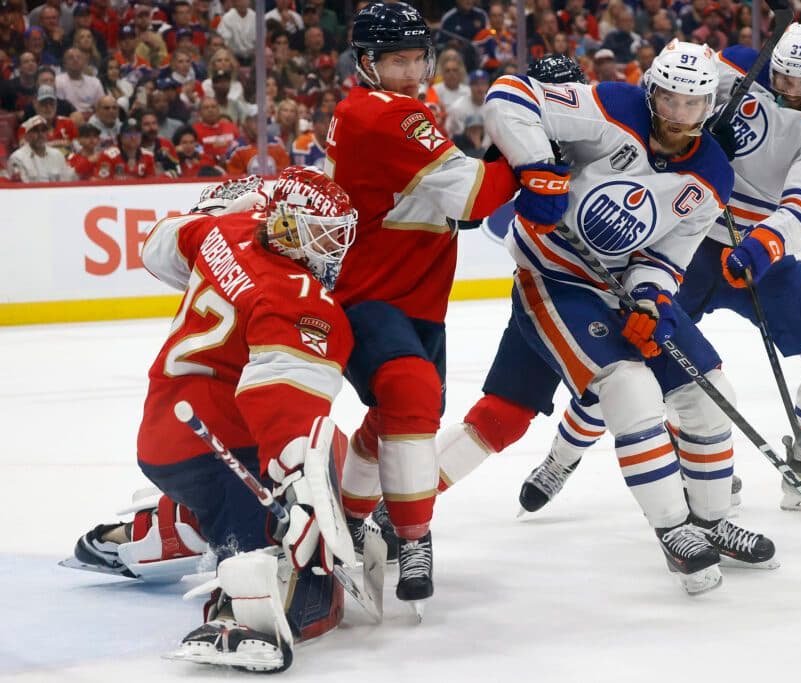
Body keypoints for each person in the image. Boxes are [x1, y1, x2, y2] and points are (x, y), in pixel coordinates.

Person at [419, 46, 775, 589]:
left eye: (692, 102)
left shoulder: (710, 177)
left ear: (708, 105)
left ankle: (712, 520)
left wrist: (652, 299)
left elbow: (665, 257)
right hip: (556, 279)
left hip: (617, 290)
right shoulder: (608, 108)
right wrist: (537, 170)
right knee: (621, 390)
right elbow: (509, 98)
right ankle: (673, 529)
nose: (677, 113)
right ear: (650, 89)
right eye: (668, 98)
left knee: (710, 390)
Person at [519, 24, 801, 514]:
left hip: (755, 257)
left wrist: (766, 243)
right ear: (773, 63)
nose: (790, 92)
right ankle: (562, 457)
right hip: (685, 241)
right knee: (633, 356)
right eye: (783, 77)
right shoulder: (738, 65)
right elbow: (672, 96)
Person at [63, 168, 360, 673]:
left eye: (338, 234)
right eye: (320, 233)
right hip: (220, 444)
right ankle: (235, 614)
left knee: (226, 496)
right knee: (283, 520)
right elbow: (283, 410)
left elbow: (158, 246)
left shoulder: (227, 231)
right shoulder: (300, 301)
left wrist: (216, 211)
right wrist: (301, 494)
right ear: (286, 224)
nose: (332, 248)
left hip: (163, 432)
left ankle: (150, 531)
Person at [323, 1, 520, 612]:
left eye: (416, 59)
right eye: (396, 60)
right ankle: (413, 536)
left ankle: (351, 516)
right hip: (372, 293)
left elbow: (450, 204)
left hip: (417, 297)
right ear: (367, 63)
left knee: (397, 415)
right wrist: (533, 153)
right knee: (409, 395)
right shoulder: (388, 115)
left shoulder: (386, 109)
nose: (410, 72)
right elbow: (474, 195)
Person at [6, 114, 76, 181]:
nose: (40, 134)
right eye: (35, 131)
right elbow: (21, 188)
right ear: (27, 136)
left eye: (43, 130)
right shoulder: (17, 158)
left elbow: (65, 182)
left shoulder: (57, 155)